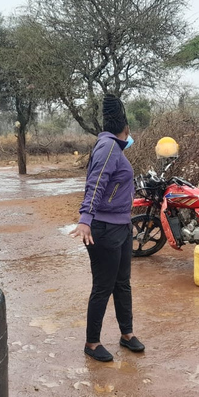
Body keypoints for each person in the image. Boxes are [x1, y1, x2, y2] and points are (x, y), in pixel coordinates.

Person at [70, 94, 144, 362]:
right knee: (103, 286)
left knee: (122, 284)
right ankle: (92, 343)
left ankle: (127, 334)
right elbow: (96, 184)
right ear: (124, 129)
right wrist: (85, 218)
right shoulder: (109, 148)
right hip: (104, 228)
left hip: (121, 226)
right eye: (130, 130)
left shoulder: (115, 149)